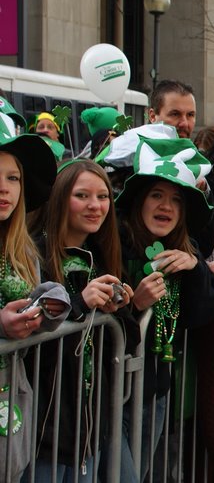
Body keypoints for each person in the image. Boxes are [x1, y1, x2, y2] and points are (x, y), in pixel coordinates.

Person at [113, 138, 214, 483]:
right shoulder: (114, 244)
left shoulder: (182, 256)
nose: (166, 206)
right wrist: (134, 304)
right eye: (157, 195)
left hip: (155, 393)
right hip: (111, 396)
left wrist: (196, 268)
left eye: (176, 199)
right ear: (139, 201)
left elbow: (201, 315)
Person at [31, 160, 134, 482]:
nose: (95, 206)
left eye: (103, 196)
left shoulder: (100, 254)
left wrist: (127, 307)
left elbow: (125, 342)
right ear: (61, 198)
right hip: (44, 428)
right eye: (82, 195)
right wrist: (78, 304)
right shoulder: (34, 253)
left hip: (89, 424)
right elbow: (28, 336)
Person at [0, 120, 68, 481]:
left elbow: (34, 301)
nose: (4, 188)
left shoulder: (23, 250)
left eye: (13, 178)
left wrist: (51, 305)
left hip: (11, 404)